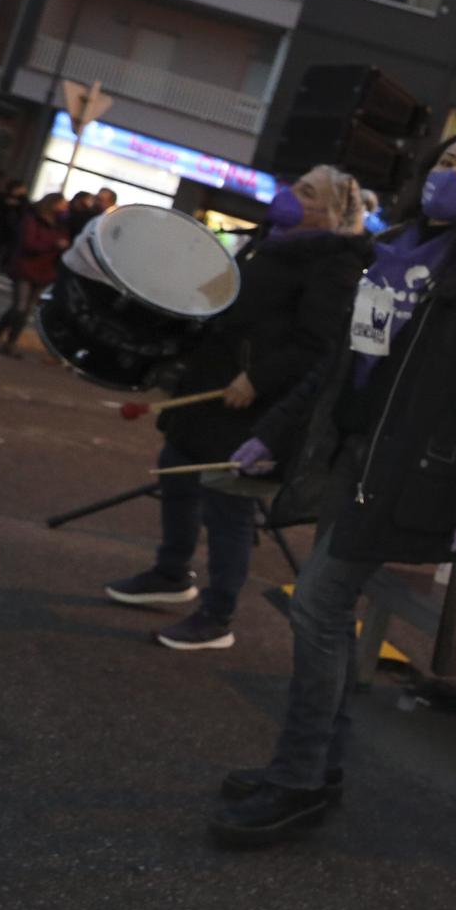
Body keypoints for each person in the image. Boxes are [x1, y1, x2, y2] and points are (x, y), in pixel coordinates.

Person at [206, 132, 456, 847]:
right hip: (349, 459)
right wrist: (278, 434)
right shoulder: (391, 250)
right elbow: (339, 367)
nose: (454, 177)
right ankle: (316, 769)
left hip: (409, 476)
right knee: (324, 613)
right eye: (448, 162)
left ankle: (297, 778)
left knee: (318, 608)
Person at [102, 166, 370, 649]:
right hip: (214, 386)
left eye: (306, 192)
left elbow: (318, 345)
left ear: (332, 214)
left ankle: (217, 615)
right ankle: (171, 571)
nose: (290, 194)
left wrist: (258, 377)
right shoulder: (273, 242)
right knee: (175, 469)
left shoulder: (333, 264)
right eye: (295, 184)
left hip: (252, 402)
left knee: (228, 507)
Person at [0, 191, 70, 356]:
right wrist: (54, 244)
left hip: (44, 270)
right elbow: (29, 243)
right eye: (62, 203)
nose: (65, 207)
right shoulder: (33, 220)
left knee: (25, 309)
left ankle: (8, 341)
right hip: (26, 267)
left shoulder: (60, 225)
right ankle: (1, 338)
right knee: (20, 306)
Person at [0, 180, 29, 273]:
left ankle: (3, 265)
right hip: (1, 224)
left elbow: (25, 212)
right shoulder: (3, 196)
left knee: (8, 247)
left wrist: (17, 205)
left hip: (14, 226)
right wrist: (6, 203)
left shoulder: (23, 199)